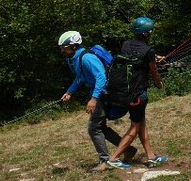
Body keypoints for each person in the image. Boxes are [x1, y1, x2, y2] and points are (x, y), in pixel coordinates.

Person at [58, 31, 136, 171]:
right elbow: (79, 78)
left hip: (103, 94)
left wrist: (94, 99)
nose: (62, 50)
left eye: (64, 47)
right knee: (100, 127)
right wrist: (69, 92)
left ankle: (105, 161)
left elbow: (101, 77)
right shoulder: (75, 59)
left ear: (74, 46)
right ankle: (128, 149)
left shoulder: (87, 58)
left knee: (94, 128)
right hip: (98, 94)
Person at [107, 17, 168, 169]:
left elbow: (135, 57)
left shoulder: (126, 44)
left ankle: (151, 156)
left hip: (125, 92)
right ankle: (114, 158)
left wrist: (154, 57)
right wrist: (159, 84)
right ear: (147, 34)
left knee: (141, 124)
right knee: (135, 127)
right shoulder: (148, 51)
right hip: (138, 94)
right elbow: (154, 73)